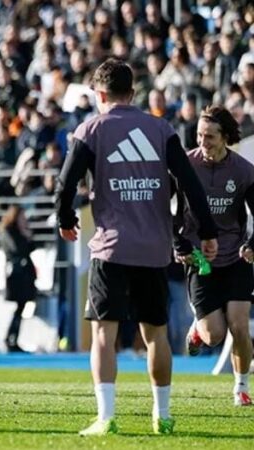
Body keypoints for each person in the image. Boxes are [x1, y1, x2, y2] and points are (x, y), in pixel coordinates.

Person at [55, 58, 218, 436]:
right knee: (155, 334)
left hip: (111, 248)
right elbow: (190, 183)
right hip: (153, 249)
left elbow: (66, 183)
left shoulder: (92, 129)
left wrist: (65, 219)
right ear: (132, 93)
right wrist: (207, 231)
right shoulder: (160, 128)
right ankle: (163, 415)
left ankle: (106, 417)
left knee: (104, 334)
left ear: (100, 94)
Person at [175, 106, 253, 407]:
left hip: (235, 257)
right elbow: (166, 211)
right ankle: (199, 329)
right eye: (199, 136)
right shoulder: (185, 166)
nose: (203, 142)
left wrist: (252, 244)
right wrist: (178, 244)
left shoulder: (243, 171)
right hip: (199, 260)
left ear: (225, 137)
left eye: (209, 137)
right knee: (215, 336)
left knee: (240, 325)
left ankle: (241, 387)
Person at [0, 205, 36, 353]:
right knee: (18, 307)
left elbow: (31, 247)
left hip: (25, 273)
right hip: (16, 274)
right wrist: (25, 237)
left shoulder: (21, 231)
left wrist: (27, 235)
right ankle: (10, 338)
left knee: (21, 307)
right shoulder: (8, 231)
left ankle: (13, 337)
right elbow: (16, 249)